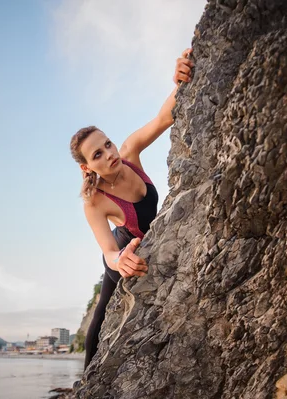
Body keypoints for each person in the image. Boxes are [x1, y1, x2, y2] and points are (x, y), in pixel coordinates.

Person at [69, 48, 194, 370]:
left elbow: (165, 117)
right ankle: (87, 378)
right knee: (102, 313)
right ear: (87, 168)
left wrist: (179, 79)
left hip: (148, 240)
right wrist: (119, 262)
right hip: (124, 251)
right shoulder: (95, 201)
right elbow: (108, 250)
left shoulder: (130, 152)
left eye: (107, 144)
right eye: (96, 155)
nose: (109, 154)